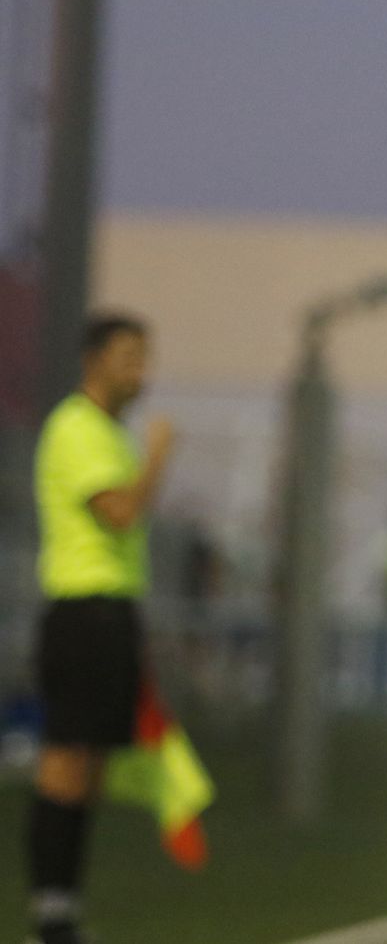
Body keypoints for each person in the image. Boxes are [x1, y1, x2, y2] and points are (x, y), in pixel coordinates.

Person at [27, 315, 173, 944]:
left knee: (88, 768)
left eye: (145, 358)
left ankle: (65, 912)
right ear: (94, 361)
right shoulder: (76, 425)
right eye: (128, 357)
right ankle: (49, 912)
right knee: (64, 761)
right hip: (80, 612)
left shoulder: (113, 432)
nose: (140, 371)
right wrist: (159, 457)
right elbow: (117, 510)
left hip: (112, 613)